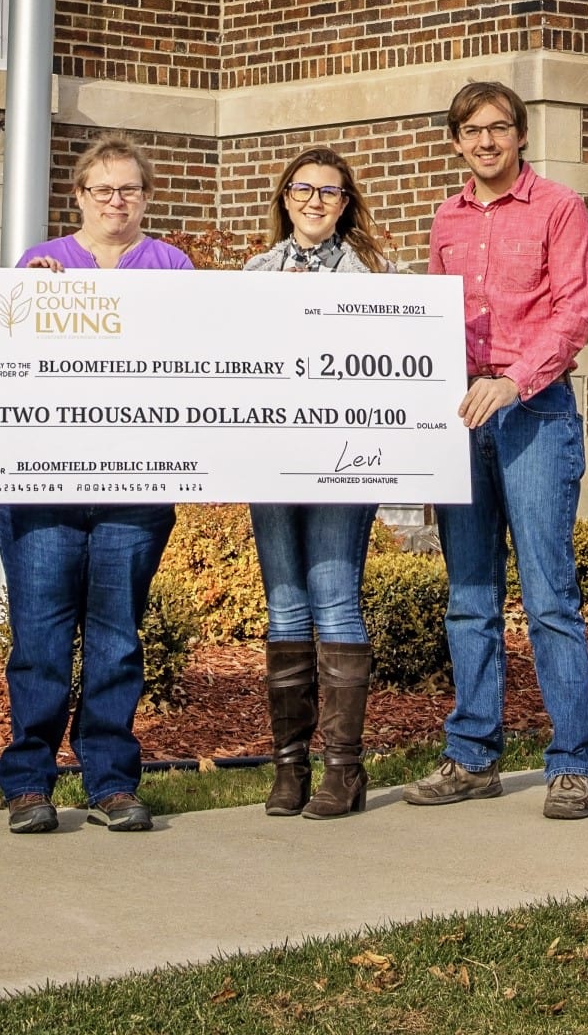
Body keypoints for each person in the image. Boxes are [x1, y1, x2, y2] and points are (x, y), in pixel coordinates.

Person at [406, 80, 588, 821]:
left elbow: (573, 313)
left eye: (498, 128)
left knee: (550, 596)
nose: (485, 141)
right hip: (461, 414)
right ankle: (473, 756)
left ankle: (571, 764)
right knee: (470, 596)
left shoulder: (559, 208)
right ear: (456, 141)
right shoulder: (446, 220)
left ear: (520, 135)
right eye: (471, 131)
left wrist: (514, 383)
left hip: (536, 414)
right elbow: (433, 318)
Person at [0, 133, 190, 839]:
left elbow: (195, 361)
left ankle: (110, 782)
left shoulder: (172, 267)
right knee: (40, 641)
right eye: (103, 189)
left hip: (134, 487)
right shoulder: (41, 264)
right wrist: (28, 295)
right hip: (45, 486)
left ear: (146, 196)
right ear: (78, 196)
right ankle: (29, 785)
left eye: (129, 189)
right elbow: (12, 358)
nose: (116, 200)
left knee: (116, 640)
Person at [242, 148, 389, 819]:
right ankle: (287, 769)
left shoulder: (376, 281)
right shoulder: (251, 276)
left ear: (345, 204)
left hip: (342, 459)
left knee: (333, 598)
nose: (314, 201)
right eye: (303, 189)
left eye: (329, 193)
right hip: (271, 459)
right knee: (285, 607)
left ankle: (342, 771)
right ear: (285, 196)